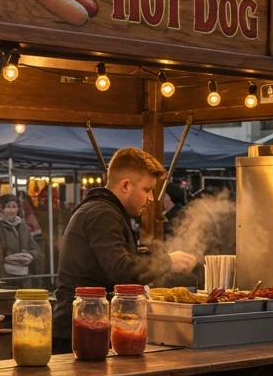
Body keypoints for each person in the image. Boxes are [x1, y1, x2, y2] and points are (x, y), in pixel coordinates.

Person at [53, 148, 197, 352]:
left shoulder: (105, 212)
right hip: (78, 334)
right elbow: (120, 269)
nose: (150, 198)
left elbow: (121, 261)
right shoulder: (102, 214)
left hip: (89, 327)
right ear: (126, 185)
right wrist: (169, 262)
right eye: (147, 190)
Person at [0, 194, 40, 278]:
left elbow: (36, 249)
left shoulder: (24, 227)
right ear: (2, 209)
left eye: (14, 206)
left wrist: (29, 255)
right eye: (8, 207)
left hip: (26, 276)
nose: (12, 210)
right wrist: (6, 279)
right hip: (7, 278)